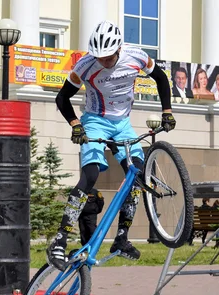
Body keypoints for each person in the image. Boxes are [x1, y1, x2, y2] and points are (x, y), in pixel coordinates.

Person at [50, 20, 176, 270]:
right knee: (90, 175)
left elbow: (161, 78)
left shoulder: (136, 56)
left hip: (122, 124)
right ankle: (59, 241)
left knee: (139, 175)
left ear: (118, 48)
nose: (104, 61)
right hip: (95, 121)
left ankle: (121, 238)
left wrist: (167, 111)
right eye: (100, 57)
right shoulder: (85, 65)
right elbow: (62, 97)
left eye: (108, 57)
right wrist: (76, 124)